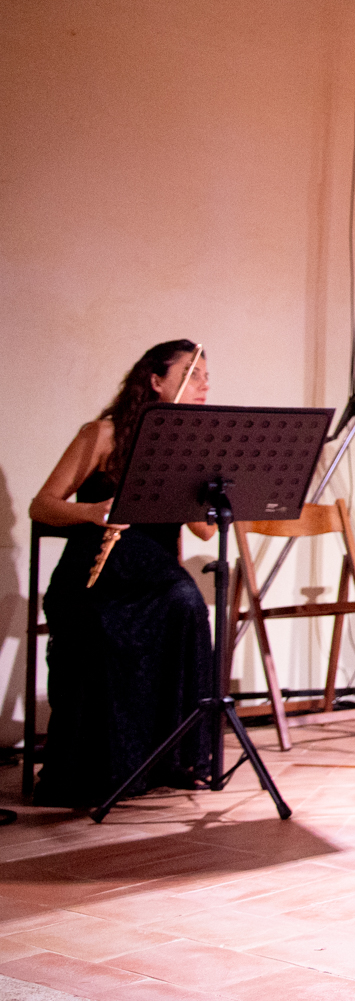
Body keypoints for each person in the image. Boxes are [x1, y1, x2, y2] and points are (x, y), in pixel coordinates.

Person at [27, 340, 218, 808]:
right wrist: (91, 511)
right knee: (105, 624)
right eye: (191, 374)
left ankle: (172, 759)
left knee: (187, 602)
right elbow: (42, 505)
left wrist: (213, 488)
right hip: (95, 577)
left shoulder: (187, 446)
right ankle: (101, 767)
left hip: (155, 579)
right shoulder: (103, 435)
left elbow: (204, 532)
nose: (203, 384)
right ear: (155, 381)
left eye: (206, 376)